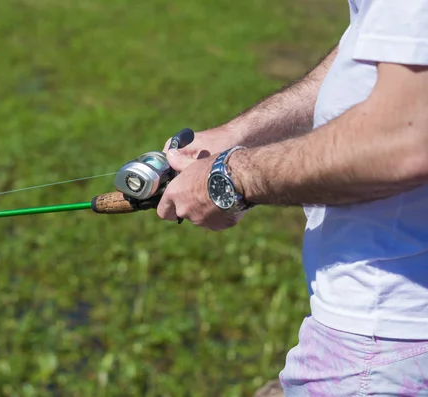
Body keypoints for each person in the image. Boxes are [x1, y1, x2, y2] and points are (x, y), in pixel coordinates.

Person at [157, 1, 428, 395]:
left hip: (382, 341)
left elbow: (406, 138)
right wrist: (238, 133)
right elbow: (378, 50)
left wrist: (230, 179)